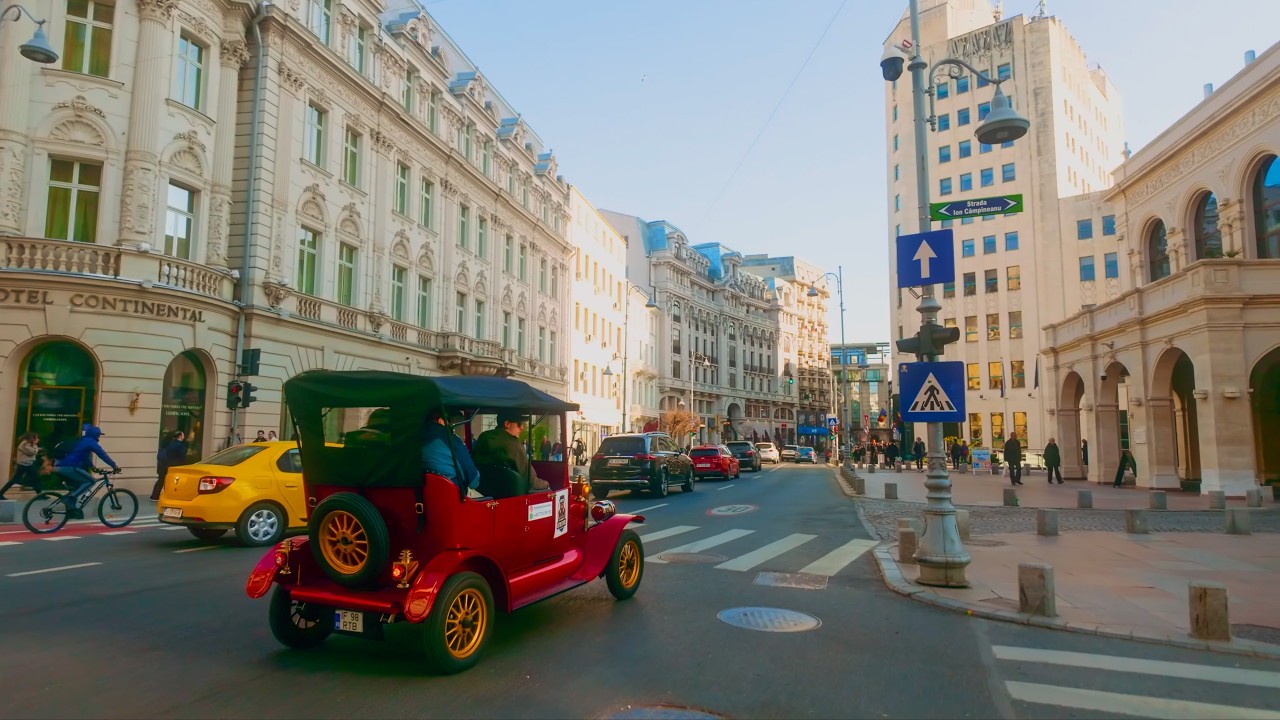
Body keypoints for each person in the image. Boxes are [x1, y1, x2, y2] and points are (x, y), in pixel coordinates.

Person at [472, 410, 550, 493]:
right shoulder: (515, 447)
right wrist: (547, 484)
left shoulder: (483, 438)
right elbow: (530, 482)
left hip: (483, 493)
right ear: (507, 424)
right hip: (512, 496)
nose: (522, 427)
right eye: (519, 424)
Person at [54, 425, 119, 519]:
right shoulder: (91, 442)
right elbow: (102, 454)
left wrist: (93, 467)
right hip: (71, 466)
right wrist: (114, 466)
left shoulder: (82, 440)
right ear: (96, 435)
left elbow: (85, 457)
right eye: (98, 435)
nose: (99, 437)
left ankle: (72, 511)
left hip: (60, 466)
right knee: (90, 481)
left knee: (77, 487)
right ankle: (70, 499)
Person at [421, 409, 481, 495]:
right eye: (448, 421)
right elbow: (474, 482)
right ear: (440, 420)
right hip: (451, 498)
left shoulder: (408, 441)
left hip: (419, 498)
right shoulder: (451, 440)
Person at [0, 432, 40, 499]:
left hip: (29, 464)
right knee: (14, 480)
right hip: (23, 465)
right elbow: (32, 452)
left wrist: (34, 446)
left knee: (35, 479)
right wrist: (35, 444)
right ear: (31, 438)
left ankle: (39, 495)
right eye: (36, 438)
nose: (37, 439)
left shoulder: (29, 444)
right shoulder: (24, 444)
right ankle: (0, 493)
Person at [150, 431, 188, 501]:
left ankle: (154, 496)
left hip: (162, 465)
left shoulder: (168, 443)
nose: (184, 437)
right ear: (179, 436)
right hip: (173, 465)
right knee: (173, 481)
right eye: (183, 435)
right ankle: (170, 496)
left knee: (161, 480)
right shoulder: (180, 445)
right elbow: (182, 456)